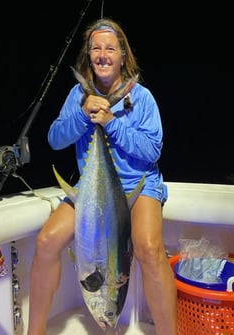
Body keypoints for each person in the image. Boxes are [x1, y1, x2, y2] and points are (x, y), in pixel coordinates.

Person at [27, 18, 177, 335]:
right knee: (47, 241)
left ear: (123, 56)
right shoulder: (78, 95)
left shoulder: (143, 98)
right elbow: (55, 139)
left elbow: (152, 151)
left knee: (149, 249)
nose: (102, 54)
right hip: (94, 188)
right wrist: (83, 115)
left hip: (139, 185)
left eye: (110, 48)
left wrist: (111, 122)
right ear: (89, 55)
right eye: (96, 48)